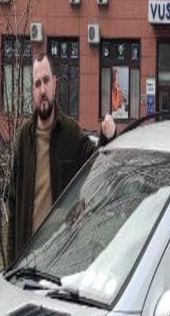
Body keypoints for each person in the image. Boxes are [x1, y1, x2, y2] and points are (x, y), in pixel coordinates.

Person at [6, 52, 116, 266]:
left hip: (59, 260)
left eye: (46, 81)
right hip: (25, 260)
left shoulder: (71, 133)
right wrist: (10, 265)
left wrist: (107, 136)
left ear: (55, 83)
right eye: (37, 84)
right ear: (32, 90)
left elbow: (96, 161)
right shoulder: (24, 138)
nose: (43, 90)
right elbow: (13, 206)